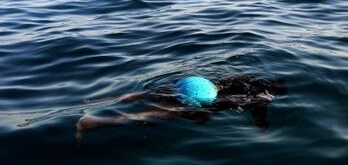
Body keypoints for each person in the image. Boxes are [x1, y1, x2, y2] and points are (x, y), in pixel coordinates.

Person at [76, 75, 287, 144]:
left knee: (148, 95)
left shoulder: (248, 79)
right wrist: (263, 128)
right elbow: (259, 114)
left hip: (194, 82)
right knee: (167, 111)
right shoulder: (262, 98)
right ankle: (93, 123)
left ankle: (97, 99)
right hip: (200, 95)